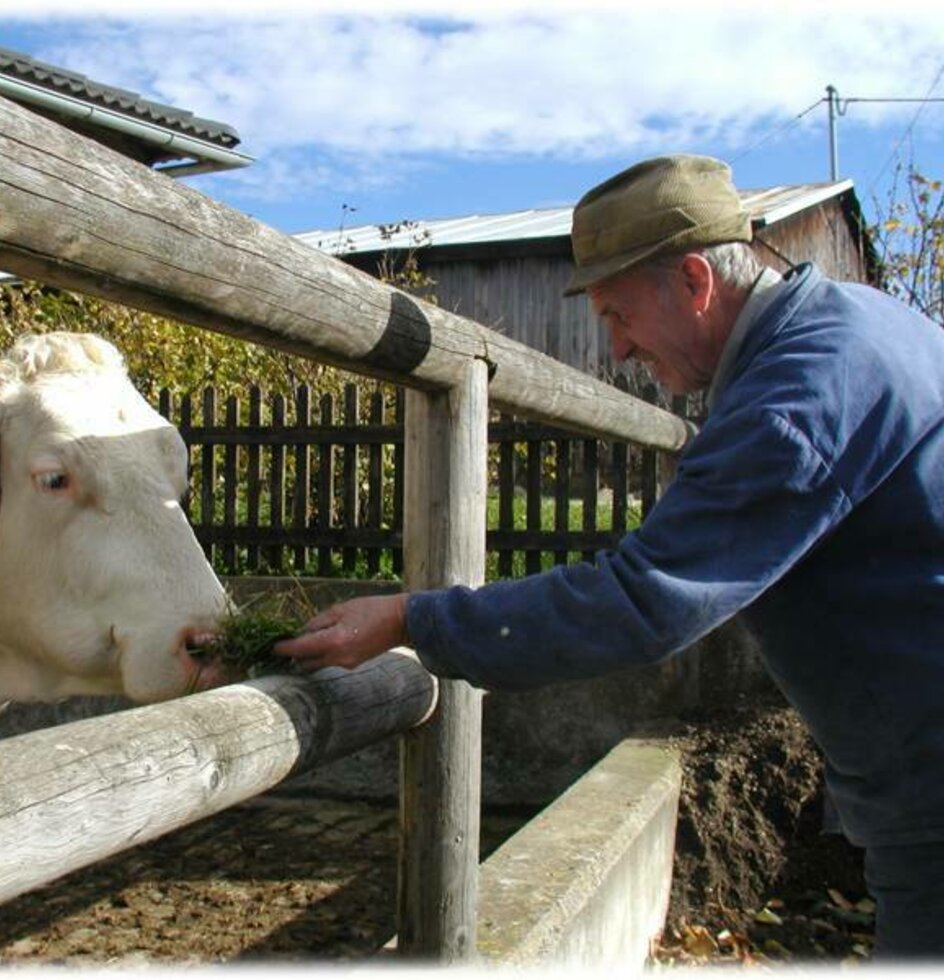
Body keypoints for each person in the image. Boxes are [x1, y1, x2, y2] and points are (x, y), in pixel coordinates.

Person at [274, 154, 944, 960]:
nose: (618, 350)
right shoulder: (858, 322)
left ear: (696, 281)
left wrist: (413, 618)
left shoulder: (795, 399)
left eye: (617, 314)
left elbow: (644, 600)